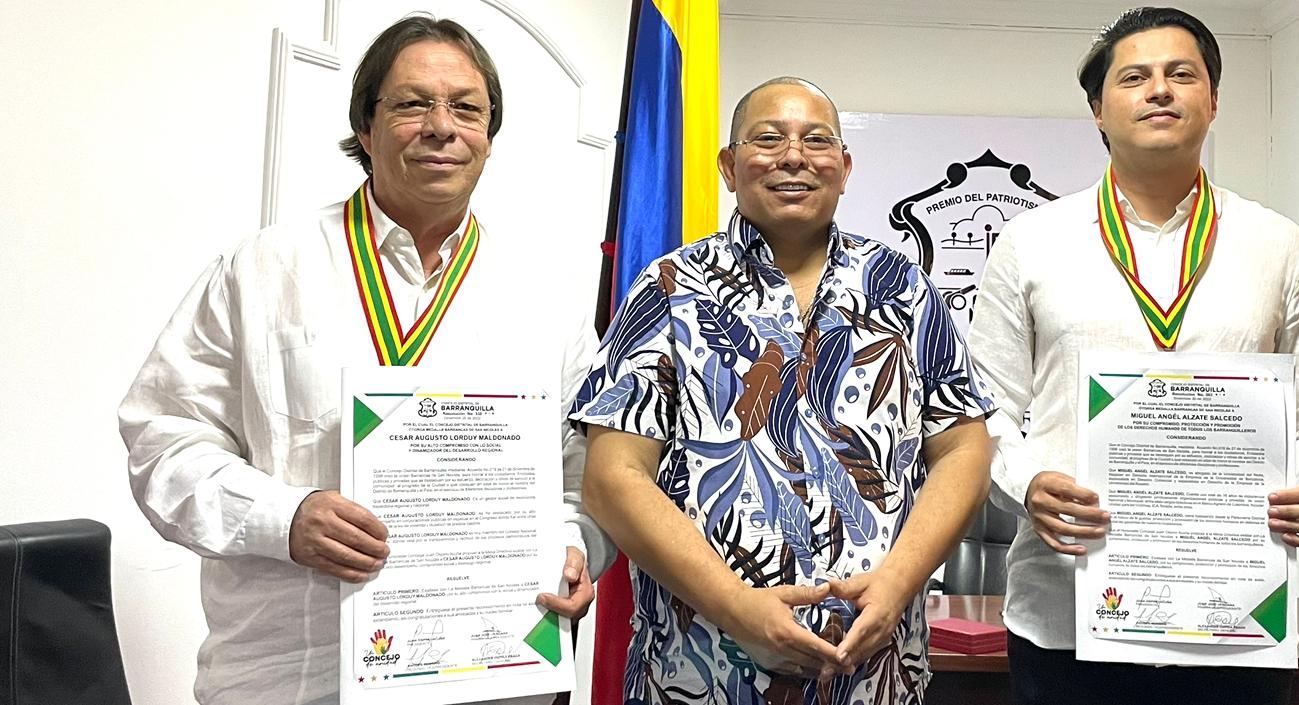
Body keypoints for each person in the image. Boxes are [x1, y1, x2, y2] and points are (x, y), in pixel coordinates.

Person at [118, 16, 608, 705]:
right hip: (293, 679)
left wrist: (573, 544)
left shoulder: (545, 298)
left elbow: (585, 471)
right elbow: (163, 442)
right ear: (366, 127)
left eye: (467, 107)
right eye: (412, 103)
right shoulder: (261, 269)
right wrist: (282, 517)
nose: (442, 126)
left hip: (493, 680)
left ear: (489, 137)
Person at [967, 7, 1299, 705]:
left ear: (1212, 100)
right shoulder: (1029, 243)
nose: (1159, 91)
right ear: (1097, 108)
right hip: (1064, 622)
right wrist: (1030, 483)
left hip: (1233, 616)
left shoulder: (1278, 246)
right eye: (1134, 77)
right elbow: (983, 410)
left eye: (1181, 74)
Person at [570, 77, 996, 704]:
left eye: (816, 140)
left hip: (875, 674)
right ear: (729, 166)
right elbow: (612, 478)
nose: (793, 156)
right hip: (698, 672)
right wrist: (740, 608)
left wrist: (899, 583)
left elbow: (963, 448)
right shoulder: (667, 288)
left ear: (844, 168)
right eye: (768, 139)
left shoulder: (902, 286)